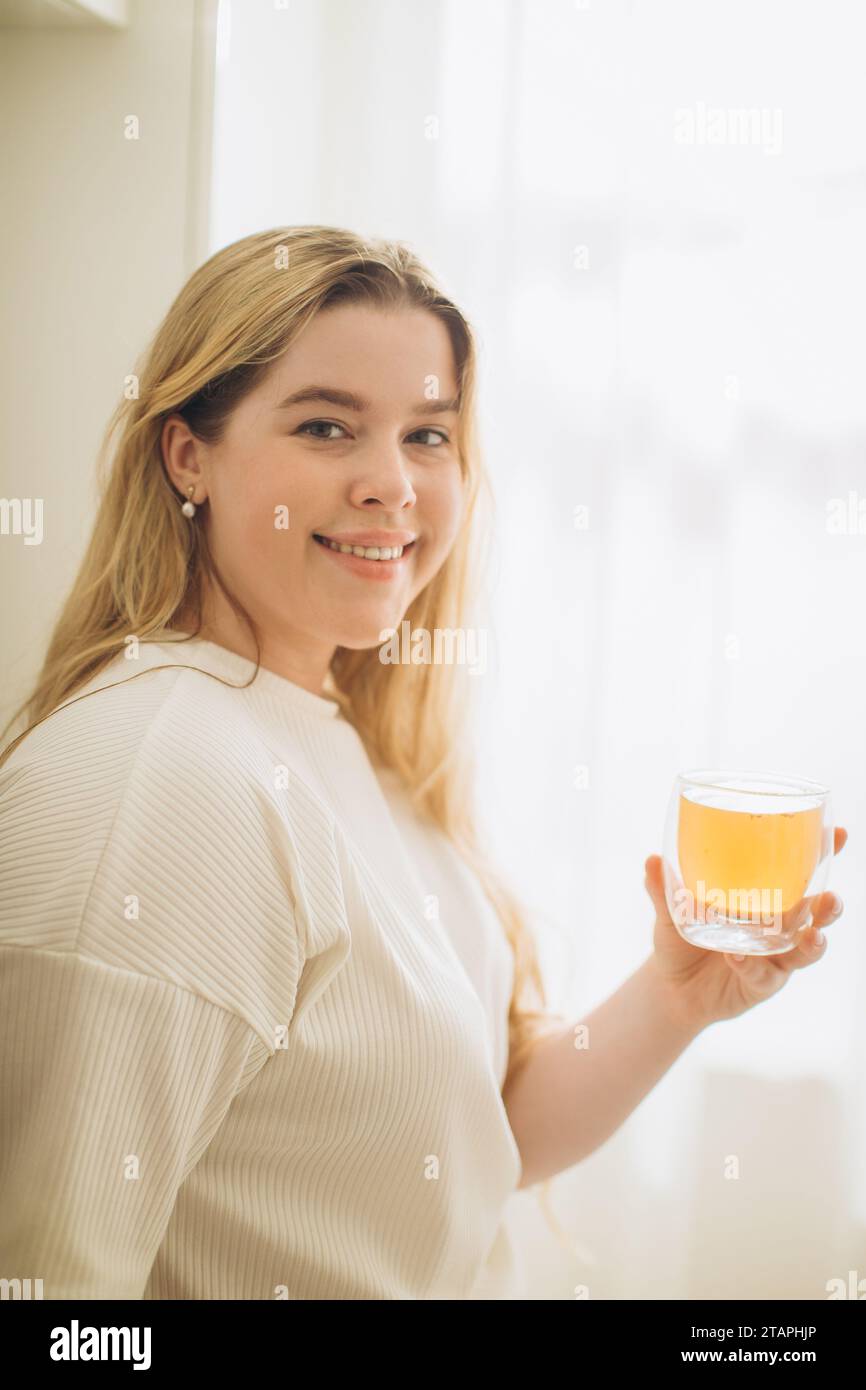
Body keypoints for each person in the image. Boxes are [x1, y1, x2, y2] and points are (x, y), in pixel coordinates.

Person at [0, 226, 848, 1301]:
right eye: (325, 427)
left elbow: (467, 1144)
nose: (390, 484)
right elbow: (44, 1285)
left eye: (427, 436)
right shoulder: (158, 782)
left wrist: (676, 995)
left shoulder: (330, 739)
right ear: (188, 456)